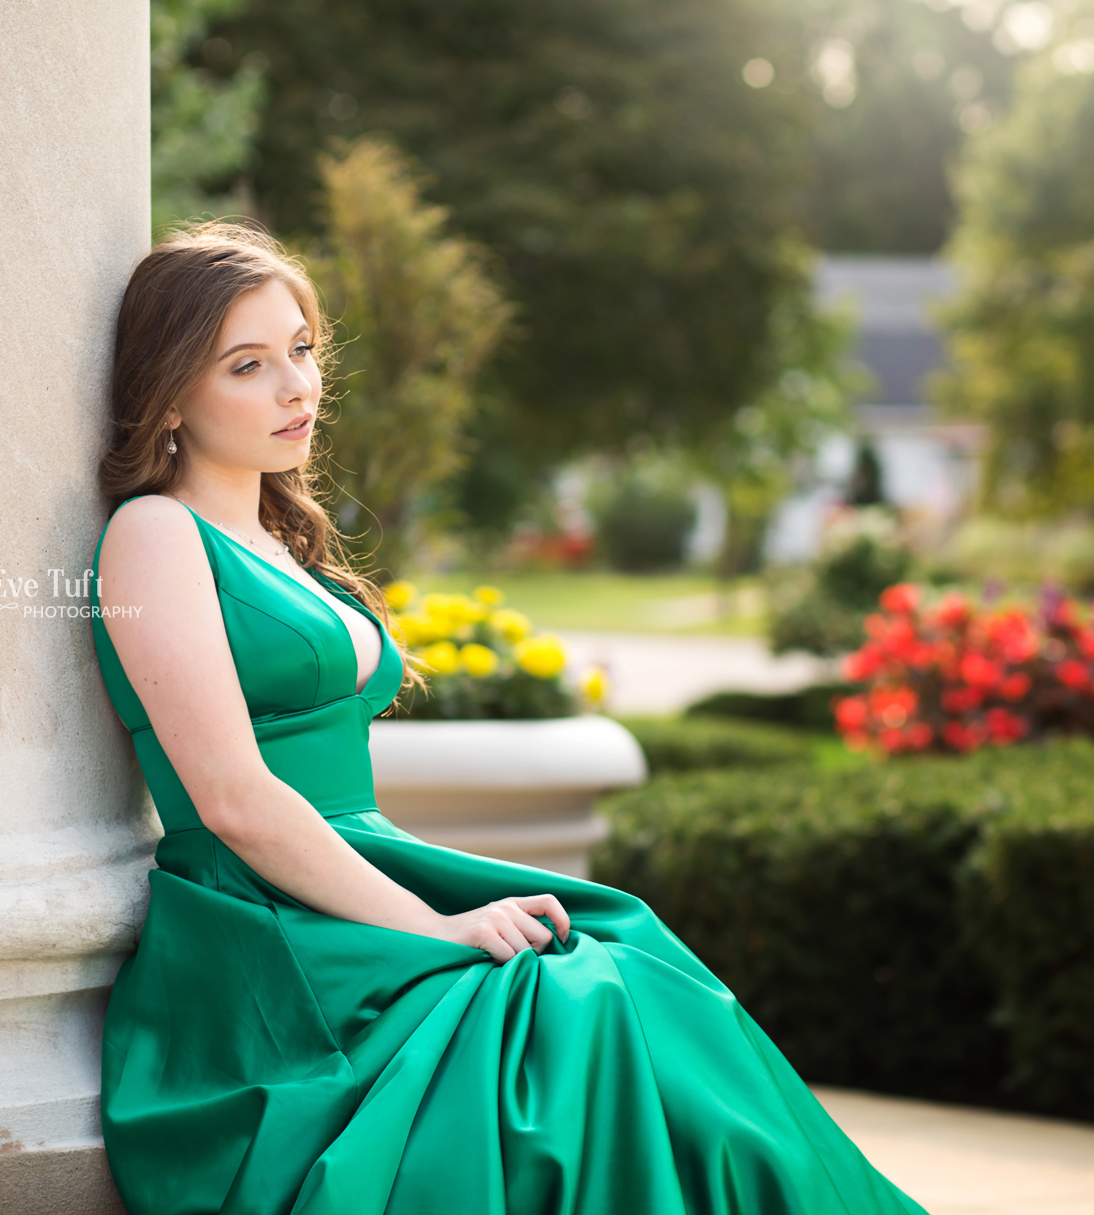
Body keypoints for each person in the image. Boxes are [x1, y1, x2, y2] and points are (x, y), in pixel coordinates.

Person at [89, 220, 930, 1215]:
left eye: (301, 350)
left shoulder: (279, 539)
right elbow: (233, 797)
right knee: (574, 1012)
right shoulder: (154, 534)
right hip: (261, 925)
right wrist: (435, 926)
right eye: (248, 365)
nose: (296, 387)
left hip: (352, 867)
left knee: (636, 973)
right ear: (170, 395)